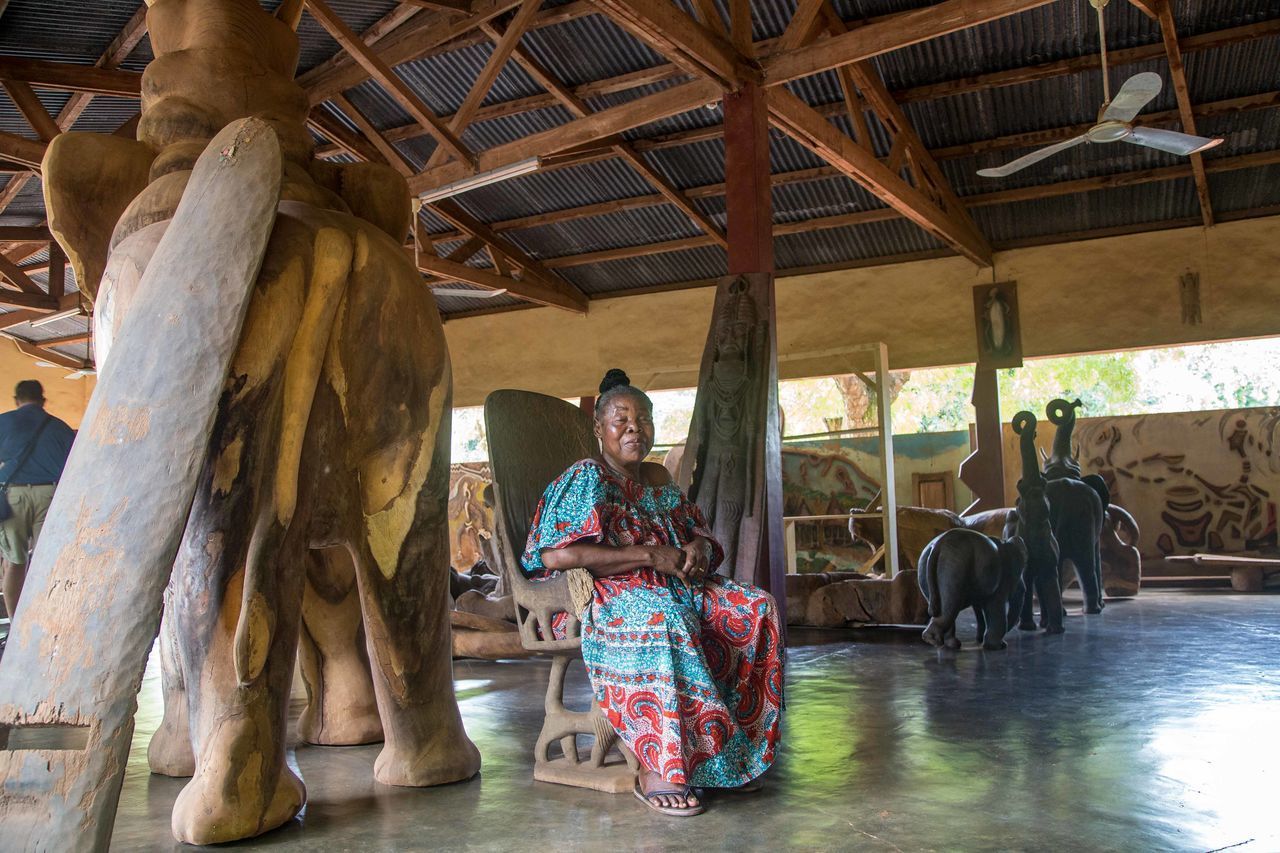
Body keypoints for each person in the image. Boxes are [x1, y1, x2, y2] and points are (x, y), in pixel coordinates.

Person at [522, 369, 783, 817]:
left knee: (756, 606)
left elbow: (697, 533)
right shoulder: (587, 476)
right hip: (612, 594)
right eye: (620, 419)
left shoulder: (660, 478)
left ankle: (722, 757)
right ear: (599, 428)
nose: (633, 428)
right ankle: (660, 768)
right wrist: (647, 555)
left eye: (643, 419)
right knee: (664, 616)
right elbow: (553, 557)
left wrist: (697, 547)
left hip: (679, 586)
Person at [0, 380, 75, 619]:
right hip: (50, 496)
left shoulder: (3, 422)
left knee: (14, 562)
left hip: (13, 496)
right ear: (43, 401)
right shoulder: (60, 428)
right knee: (46, 562)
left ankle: (15, 626)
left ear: (17, 400)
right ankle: (44, 621)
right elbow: (73, 468)